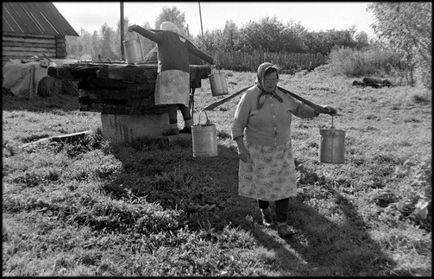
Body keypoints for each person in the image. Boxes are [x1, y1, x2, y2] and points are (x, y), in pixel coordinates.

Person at [231, 62, 337, 237]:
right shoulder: (249, 97)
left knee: (284, 186)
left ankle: (282, 223)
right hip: (259, 150)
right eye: (268, 79)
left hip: (282, 149)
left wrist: (319, 110)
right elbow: (237, 124)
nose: (272, 83)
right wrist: (241, 147)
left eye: (275, 79)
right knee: (263, 185)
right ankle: (265, 212)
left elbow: (300, 109)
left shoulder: (284, 95)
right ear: (259, 78)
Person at [128, 21, 214, 135]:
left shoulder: (164, 36)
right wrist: (212, 61)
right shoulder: (182, 39)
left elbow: (149, 34)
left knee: (170, 101)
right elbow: (197, 52)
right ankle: (189, 125)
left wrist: (136, 27)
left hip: (168, 72)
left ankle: (173, 127)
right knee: (182, 100)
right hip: (184, 73)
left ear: (164, 30)